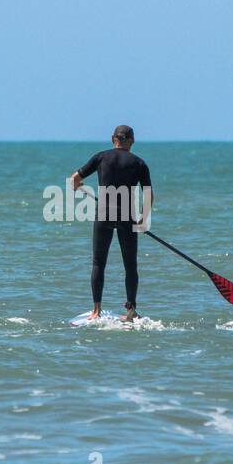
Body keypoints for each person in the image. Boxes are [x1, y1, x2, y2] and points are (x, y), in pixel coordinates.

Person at [69, 125, 153, 323]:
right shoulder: (139, 163)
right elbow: (148, 194)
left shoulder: (100, 157)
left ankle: (96, 310)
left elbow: (74, 178)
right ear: (132, 140)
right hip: (127, 217)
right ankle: (131, 310)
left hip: (104, 216)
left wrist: (78, 186)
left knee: (99, 263)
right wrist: (143, 217)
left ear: (112, 139)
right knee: (130, 266)